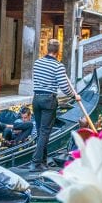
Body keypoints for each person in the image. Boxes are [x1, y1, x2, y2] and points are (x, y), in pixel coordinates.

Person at [30, 38, 72, 171]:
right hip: (49, 100)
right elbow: (65, 87)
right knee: (45, 132)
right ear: (58, 51)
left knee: (40, 131)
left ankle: (42, 162)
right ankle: (36, 162)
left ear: (47, 49)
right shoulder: (58, 66)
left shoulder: (37, 63)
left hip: (36, 99)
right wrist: (74, 96)